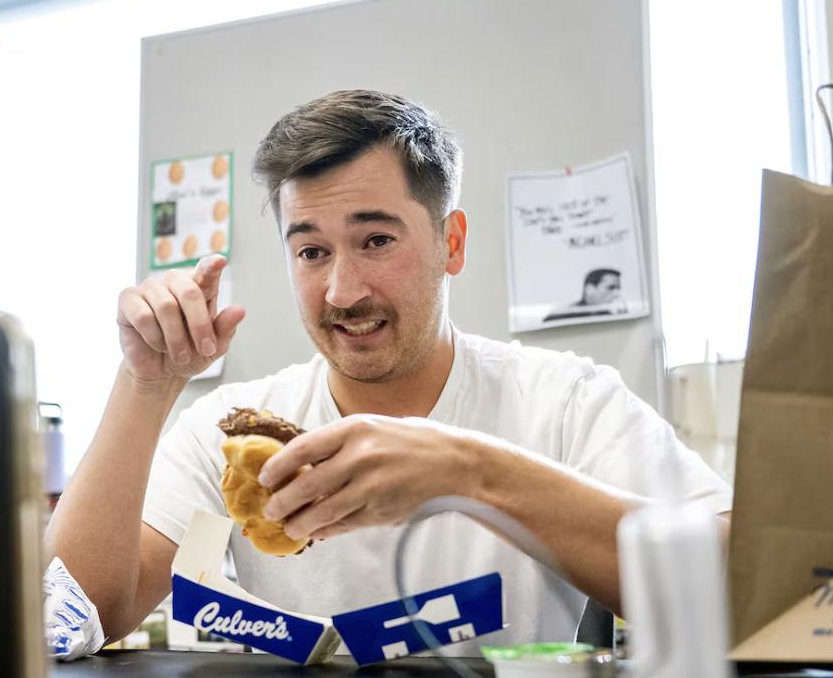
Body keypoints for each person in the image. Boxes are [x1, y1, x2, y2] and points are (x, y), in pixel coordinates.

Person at [45, 90, 729, 649]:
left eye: (376, 241)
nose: (343, 291)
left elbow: (733, 585)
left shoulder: (565, 402)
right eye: (311, 252)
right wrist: (147, 383)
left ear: (450, 242)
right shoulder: (234, 433)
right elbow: (69, 616)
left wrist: (471, 471)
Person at [542, 268, 627, 323]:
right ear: (590, 288)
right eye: (611, 288)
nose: (616, 293)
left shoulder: (610, 315)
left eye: (618, 288)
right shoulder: (562, 316)